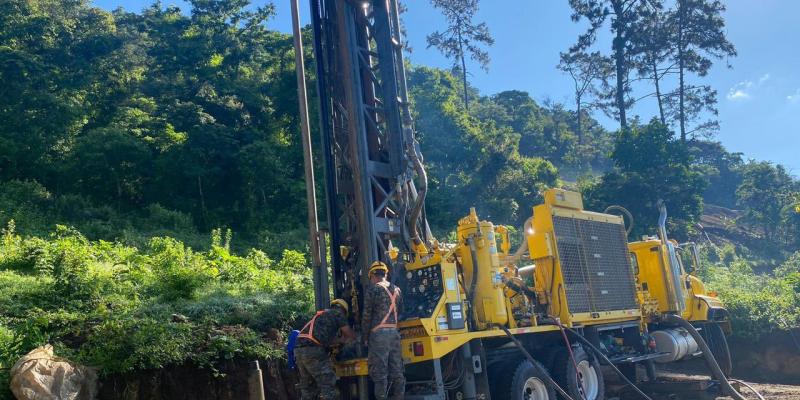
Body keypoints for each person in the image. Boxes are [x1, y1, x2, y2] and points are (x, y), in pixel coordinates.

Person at [294, 298, 356, 400]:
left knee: (308, 386)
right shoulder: (338, 314)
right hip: (313, 351)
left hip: (298, 350)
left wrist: (340, 340)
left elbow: (324, 338)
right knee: (328, 383)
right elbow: (350, 335)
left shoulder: (320, 315)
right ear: (344, 310)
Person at [362, 261, 405, 400]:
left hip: (378, 335)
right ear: (385, 274)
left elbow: (366, 316)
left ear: (372, 275)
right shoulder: (397, 290)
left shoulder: (373, 290)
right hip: (394, 334)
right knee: (397, 370)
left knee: (380, 373)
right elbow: (401, 311)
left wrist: (365, 337)